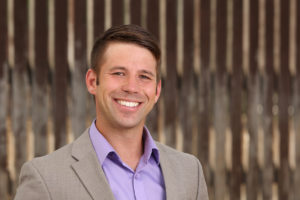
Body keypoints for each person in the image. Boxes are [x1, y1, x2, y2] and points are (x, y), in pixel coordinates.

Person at [14, 24, 208, 200]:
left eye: (144, 76)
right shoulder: (45, 178)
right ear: (92, 81)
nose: (132, 87)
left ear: (156, 91)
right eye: (118, 73)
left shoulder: (190, 172)